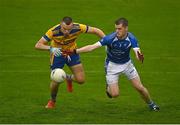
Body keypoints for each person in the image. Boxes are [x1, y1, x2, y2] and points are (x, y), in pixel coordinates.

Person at [70, 17, 159, 111]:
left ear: (126, 28)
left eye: (119, 29)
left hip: (127, 64)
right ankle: (108, 86)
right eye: (116, 28)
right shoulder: (110, 38)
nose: (117, 31)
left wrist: (139, 56)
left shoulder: (132, 38)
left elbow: (137, 51)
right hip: (112, 66)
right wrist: (75, 51)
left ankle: (151, 104)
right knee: (115, 94)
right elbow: (92, 47)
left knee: (139, 87)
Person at [35, 16, 105, 109]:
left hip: (72, 52)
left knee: (81, 80)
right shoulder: (53, 31)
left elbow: (96, 30)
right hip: (57, 54)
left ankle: (67, 78)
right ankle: (52, 100)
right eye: (64, 29)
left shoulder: (78, 27)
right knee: (56, 80)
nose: (67, 32)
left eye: (69, 29)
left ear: (72, 25)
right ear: (60, 25)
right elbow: (38, 45)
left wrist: (107, 41)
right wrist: (51, 48)